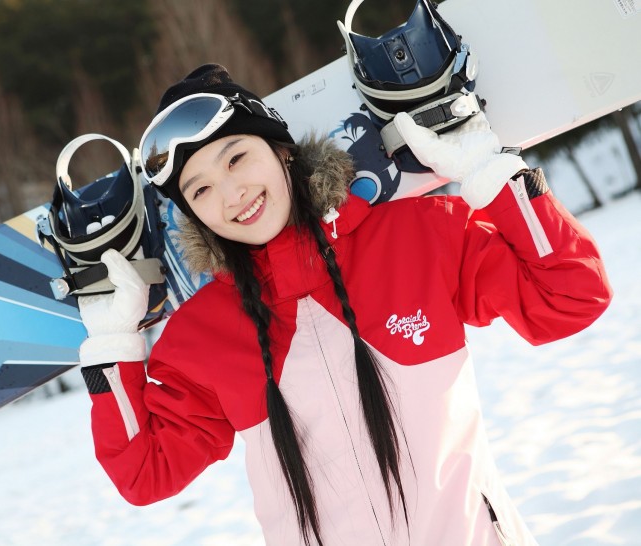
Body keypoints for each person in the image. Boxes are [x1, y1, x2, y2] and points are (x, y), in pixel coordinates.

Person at [75, 64, 612, 545]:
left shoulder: (418, 236)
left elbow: (571, 297)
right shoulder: (201, 335)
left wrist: (491, 174)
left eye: (237, 158)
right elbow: (146, 474)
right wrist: (112, 345)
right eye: (201, 191)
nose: (231, 193)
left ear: (282, 150)